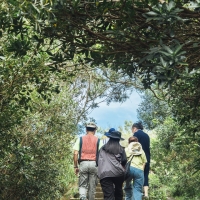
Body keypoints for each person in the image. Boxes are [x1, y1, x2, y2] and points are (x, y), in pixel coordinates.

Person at [73, 122, 103, 200]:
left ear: (86, 130)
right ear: (95, 130)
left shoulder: (80, 139)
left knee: (83, 184)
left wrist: (75, 166)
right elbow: (102, 155)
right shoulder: (99, 141)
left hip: (83, 163)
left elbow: (75, 153)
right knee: (92, 186)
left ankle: (83, 196)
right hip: (94, 164)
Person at [97, 130, 127, 200]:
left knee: (108, 195)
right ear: (119, 139)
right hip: (118, 173)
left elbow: (97, 161)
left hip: (104, 173)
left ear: (110, 138)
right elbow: (124, 160)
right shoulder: (121, 149)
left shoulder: (102, 149)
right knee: (118, 192)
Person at [132, 122, 150, 199]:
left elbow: (133, 148)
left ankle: (137, 194)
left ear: (134, 128)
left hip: (139, 159)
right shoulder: (147, 136)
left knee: (137, 175)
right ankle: (146, 194)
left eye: (132, 130)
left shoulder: (136, 135)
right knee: (145, 175)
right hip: (147, 157)